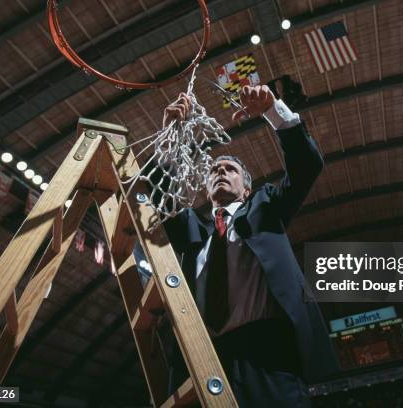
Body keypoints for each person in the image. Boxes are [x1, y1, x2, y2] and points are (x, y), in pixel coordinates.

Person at [143, 84, 338, 407]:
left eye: (230, 169)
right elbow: (160, 194)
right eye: (215, 171)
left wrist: (273, 111)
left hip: (269, 351)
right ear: (206, 190)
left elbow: (307, 165)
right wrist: (169, 133)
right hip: (207, 354)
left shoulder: (265, 208)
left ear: (246, 189)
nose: (220, 172)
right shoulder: (193, 227)